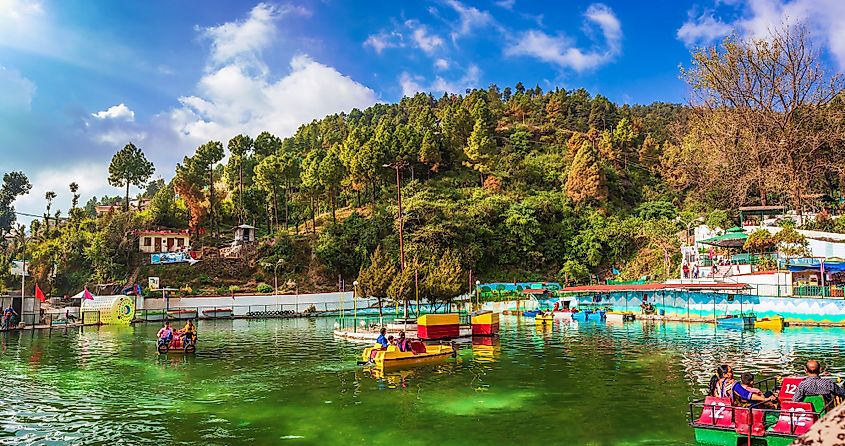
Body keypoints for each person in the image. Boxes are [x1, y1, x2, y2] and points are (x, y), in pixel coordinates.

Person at [709, 364, 775, 405]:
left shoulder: (716, 383)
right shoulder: (732, 384)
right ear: (724, 374)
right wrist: (765, 399)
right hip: (731, 412)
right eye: (731, 371)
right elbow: (747, 395)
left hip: (720, 411)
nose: (733, 373)